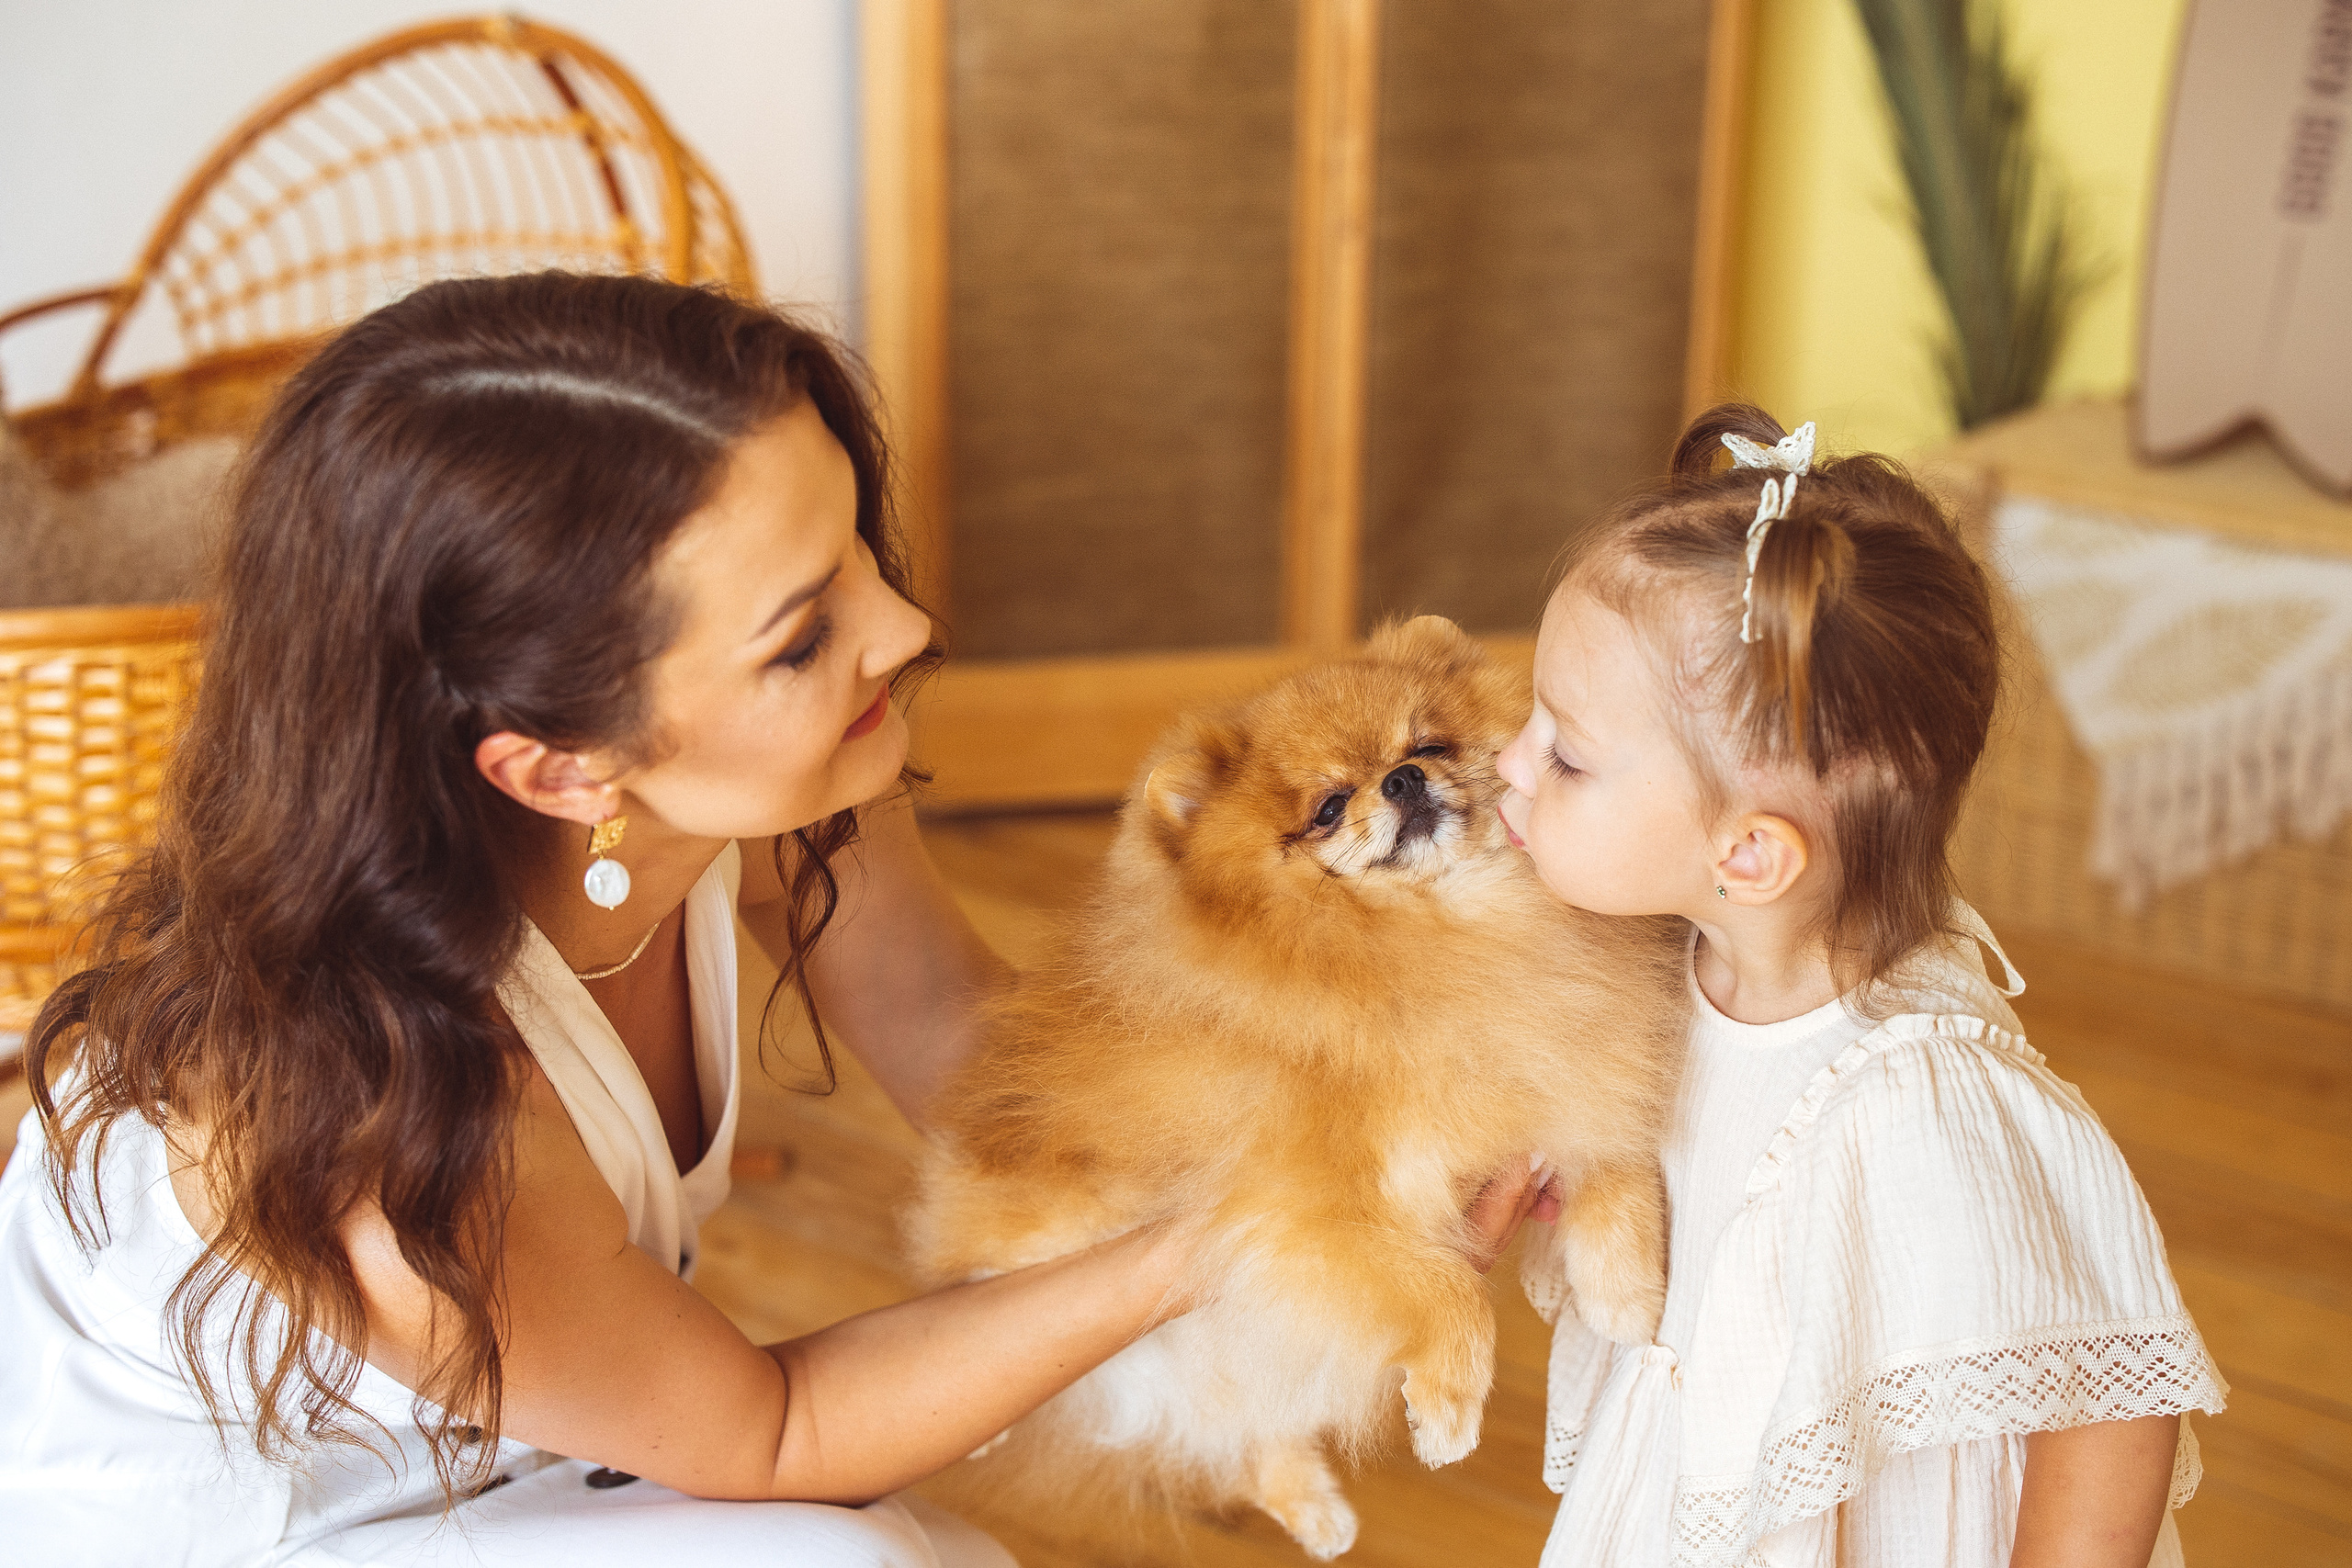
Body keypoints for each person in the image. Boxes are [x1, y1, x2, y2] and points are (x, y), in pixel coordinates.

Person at [0, 274, 1552, 1566]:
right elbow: (773, 1428)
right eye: (804, 636)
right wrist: (1235, 1239)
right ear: (561, 765)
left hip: (534, 1425)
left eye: (857, 548)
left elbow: (981, 1058)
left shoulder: (790, 784)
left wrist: (1352, 1149)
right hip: (259, 1522)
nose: (906, 626)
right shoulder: (371, 1113)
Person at [1494, 407, 2227, 1567]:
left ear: (1748, 854)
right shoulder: (1656, 980)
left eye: (1565, 753)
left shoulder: (1916, 1097)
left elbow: (2112, 1395)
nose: (1510, 761)